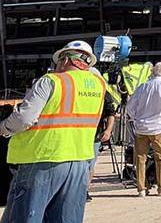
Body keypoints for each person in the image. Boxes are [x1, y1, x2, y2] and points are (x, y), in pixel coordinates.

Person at [0, 40, 107, 223]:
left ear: (65, 60)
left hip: (42, 159)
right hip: (80, 161)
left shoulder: (51, 81)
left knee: (26, 216)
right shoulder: (100, 85)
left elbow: (24, 118)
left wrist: (3, 128)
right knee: (66, 218)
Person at [126, 61, 161, 197]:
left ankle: (141, 188)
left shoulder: (142, 87)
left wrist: (136, 118)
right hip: (159, 126)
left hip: (141, 127)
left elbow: (130, 106)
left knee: (140, 158)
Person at [88, 71, 118, 202]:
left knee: (90, 165)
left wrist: (108, 130)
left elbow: (111, 112)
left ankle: (85, 190)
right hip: (79, 134)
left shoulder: (103, 92)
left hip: (95, 135)